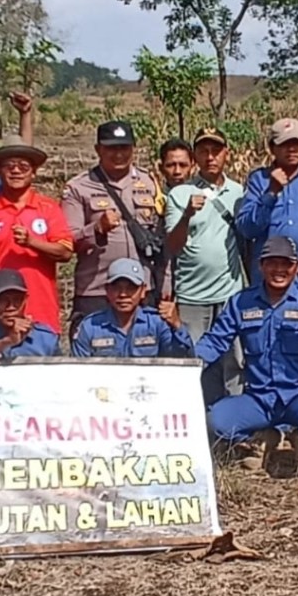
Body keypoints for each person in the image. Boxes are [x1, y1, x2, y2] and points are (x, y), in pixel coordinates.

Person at [196, 236, 298, 473]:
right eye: (272, 263)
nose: (279, 270)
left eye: (286, 264)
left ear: (296, 267)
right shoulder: (241, 302)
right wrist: (189, 366)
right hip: (259, 398)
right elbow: (216, 340)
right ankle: (264, 435)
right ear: (261, 265)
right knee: (215, 422)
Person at [62, 121, 165, 337]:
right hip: (97, 290)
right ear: (98, 149)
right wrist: (97, 228)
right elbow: (67, 241)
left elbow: (161, 237)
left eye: (124, 148)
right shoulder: (78, 187)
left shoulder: (148, 182)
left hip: (142, 289)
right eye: (111, 148)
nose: (119, 154)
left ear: (133, 149)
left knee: (145, 358)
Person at [165, 127, 245, 404]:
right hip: (192, 295)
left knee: (234, 361)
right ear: (195, 156)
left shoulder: (238, 192)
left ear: (227, 154)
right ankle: (201, 422)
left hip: (230, 294)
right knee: (195, 360)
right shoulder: (180, 194)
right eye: (203, 151)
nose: (210, 157)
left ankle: (236, 425)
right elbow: (173, 245)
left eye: (216, 151)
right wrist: (187, 214)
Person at [0, 135, 72, 334]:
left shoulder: (48, 208)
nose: (16, 171)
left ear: (34, 172)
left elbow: (65, 253)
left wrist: (32, 242)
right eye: (9, 166)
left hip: (41, 313)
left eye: (23, 166)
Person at [236, 118, 298, 284]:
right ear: (272, 148)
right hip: (270, 282)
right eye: (285, 144)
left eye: (297, 143)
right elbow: (247, 229)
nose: (292, 149)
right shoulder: (259, 180)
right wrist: (271, 193)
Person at [72, 258, 192, 358]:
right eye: (116, 288)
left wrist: (177, 325)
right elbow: (78, 370)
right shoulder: (90, 326)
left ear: (143, 291)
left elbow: (181, 358)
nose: (123, 294)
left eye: (131, 288)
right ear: (107, 290)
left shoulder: (157, 323)